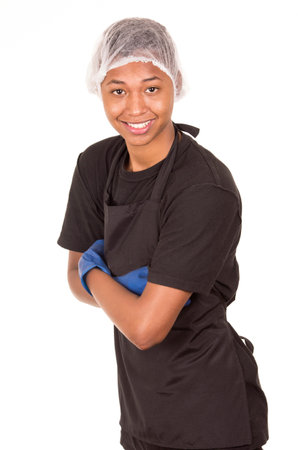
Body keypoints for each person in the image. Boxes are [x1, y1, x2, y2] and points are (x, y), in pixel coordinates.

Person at [57, 17, 269, 450]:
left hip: (211, 417)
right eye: (118, 89)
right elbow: (72, 279)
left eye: (152, 87)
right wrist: (106, 282)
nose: (135, 108)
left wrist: (94, 269)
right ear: (99, 89)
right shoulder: (97, 164)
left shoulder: (204, 187)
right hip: (139, 415)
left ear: (175, 85)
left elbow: (146, 328)